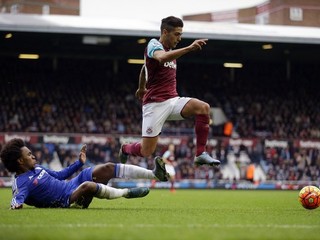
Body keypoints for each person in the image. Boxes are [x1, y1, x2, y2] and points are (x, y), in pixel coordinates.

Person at [119, 16, 221, 167]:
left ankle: (200, 154)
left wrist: (141, 87)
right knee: (146, 151)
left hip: (173, 101)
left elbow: (144, 67)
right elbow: (161, 58)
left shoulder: (170, 51)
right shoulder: (154, 44)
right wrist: (189, 48)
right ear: (165, 32)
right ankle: (125, 148)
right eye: (177, 34)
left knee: (203, 107)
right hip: (154, 104)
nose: (180, 38)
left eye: (181, 34)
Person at [0, 138, 169, 209]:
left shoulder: (38, 169)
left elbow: (60, 176)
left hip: (71, 185)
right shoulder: (21, 182)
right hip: (66, 199)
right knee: (88, 186)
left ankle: (155, 174)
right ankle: (126, 193)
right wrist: (16, 204)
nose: (33, 155)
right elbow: (17, 198)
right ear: (20, 161)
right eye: (29, 155)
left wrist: (79, 163)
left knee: (107, 167)